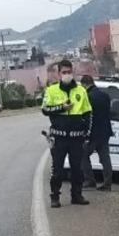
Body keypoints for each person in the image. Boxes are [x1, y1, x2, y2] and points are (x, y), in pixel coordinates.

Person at [42, 59, 91, 208]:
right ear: (59, 74)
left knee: (77, 170)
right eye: (64, 72)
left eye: (69, 72)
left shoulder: (81, 90)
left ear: (73, 72)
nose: (67, 75)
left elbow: (88, 113)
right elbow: (45, 110)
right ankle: (55, 197)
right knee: (57, 170)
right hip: (59, 138)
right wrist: (61, 108)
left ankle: (77, 195)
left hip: (76, 138)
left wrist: (86, 133)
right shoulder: (51, 90)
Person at [80, 74, 114, 191]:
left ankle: (90, 180)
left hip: (93, 133)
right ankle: (107, 183)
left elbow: (87, 116)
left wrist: (85, 133)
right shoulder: (105, 96)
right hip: (105, 132)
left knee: (83, 155)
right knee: (105, 158)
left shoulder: (87, 97)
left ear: (84, 84)